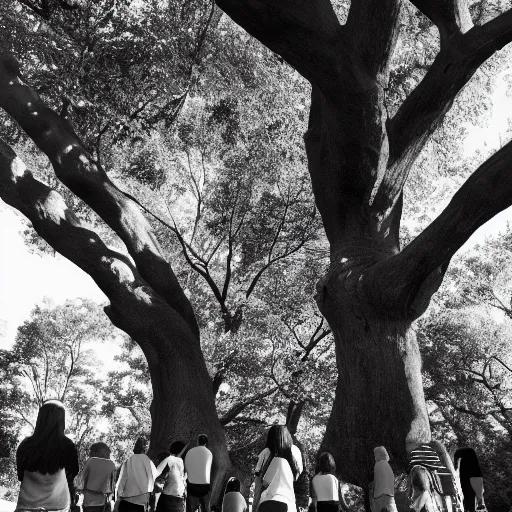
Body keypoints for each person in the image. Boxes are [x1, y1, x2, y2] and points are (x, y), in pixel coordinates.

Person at [15, 399, 79, 512]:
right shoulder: (67, 446)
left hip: (26, 506)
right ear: (62, 420)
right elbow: (72, 474)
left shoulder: (25, 445)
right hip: (58, 507)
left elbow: (20, 476)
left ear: (40, 419)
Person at [253, 426, 303, 512]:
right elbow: (298, 476)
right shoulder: (296, 451)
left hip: (267, 500)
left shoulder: (266, 452)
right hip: (288, 500)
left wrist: (255, 504)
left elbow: (258, 480)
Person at [116, 436, 166, 512]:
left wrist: (118, 496)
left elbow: (122, 479)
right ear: (145, 448)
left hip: (127, 498)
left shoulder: (128, 460)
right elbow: (155, 477)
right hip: (141, 499)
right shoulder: (147, 460)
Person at [75, 442, 117, 512]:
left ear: (95, 452)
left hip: (88, 501)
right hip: (102, 502)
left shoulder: (90, 461)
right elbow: (112, 486)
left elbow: (80, 480)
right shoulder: (112, 465)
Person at [155, 442, 188, 512]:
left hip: (168, 498)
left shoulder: (169, 459)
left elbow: (156, 473)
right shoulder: (182, 461)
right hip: (179, 500)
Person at [184, 435, 213, 512]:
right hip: (205, 486)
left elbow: (186, 468)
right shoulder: (209, 453)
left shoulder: (190, 451)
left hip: (191, 486)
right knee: (206, 508)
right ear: (206, 443)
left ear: (197, 441)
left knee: (191, 509)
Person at [372, 447, 396, 512]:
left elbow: (376, 482)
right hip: (389, 495)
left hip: (379, 496)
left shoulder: (377, 465)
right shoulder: (388, 466)